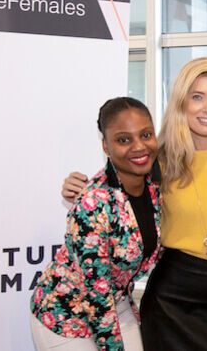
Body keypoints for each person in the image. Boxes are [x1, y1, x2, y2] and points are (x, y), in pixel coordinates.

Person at [30, 97, 162, 351]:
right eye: (124, 139)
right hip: (64, 315)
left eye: (146, 135)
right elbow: (96, 296)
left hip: (115, 303)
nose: (139, 146)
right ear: (106, 145)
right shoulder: (93, 205)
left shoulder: (153, 188)